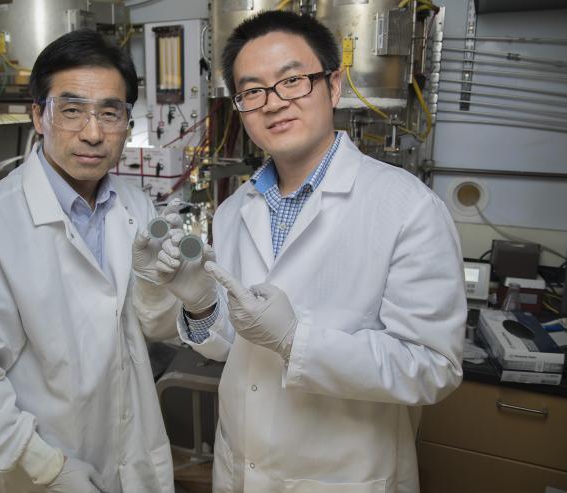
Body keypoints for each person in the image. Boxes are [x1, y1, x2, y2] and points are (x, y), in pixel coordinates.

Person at [154, 10, 466, 493]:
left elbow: (433, 368)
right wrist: (200, 307)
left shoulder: (407, 207)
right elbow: (237, 349)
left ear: (333, 86)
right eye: (252, 90)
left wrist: (297, 341)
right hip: (240, 471)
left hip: (346, 477)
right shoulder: (236, 209)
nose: (273, 103)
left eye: (293, 81)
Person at [0, 30, 180, 493]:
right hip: (40, 473)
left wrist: (180, 294)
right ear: (38, 116)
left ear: (127, 121)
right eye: (71, 110)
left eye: (110, 113)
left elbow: (149, 328)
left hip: (136, 462)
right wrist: (46, 466)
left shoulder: (137, 208)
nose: (93, 132)